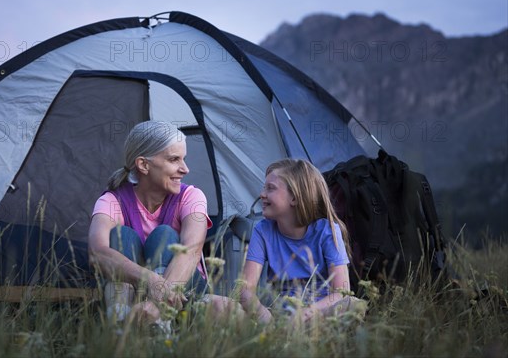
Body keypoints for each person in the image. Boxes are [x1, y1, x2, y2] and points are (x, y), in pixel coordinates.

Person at [88, 120, 212, 325]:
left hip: (185, 295)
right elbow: (96, 253)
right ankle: (121, 323)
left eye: (184, 159)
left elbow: (192, 250)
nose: (185, 169)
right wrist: (150, 280)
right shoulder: (111, 201)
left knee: (164, 235)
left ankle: (160, 325)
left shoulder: (192, 196)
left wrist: (158, 301)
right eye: (174, 160)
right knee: (123, 236)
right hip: (133, 294)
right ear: (144, 165)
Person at [239, 158, 358, 324]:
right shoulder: (263, 230)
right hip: (278, 317)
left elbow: (341, 292)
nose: (262, 194)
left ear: (294, 197)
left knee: (352, 304)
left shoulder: (327, 231)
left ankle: (311, 338)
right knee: (214, 303)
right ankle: (277, 337)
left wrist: (303, 316)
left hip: (319, 315)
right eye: (264, 187)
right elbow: (245, 290)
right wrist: (264, 317)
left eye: (270, 188)